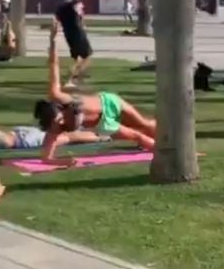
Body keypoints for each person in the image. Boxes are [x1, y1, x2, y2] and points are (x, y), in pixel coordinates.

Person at [33, 23, 156, 166]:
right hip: (104, 124)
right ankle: (164, 152)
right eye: (57, 124)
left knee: (144, 124)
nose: (61, 123)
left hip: (108, 102)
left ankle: (168, 139)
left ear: (58, 108)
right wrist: (65, 161)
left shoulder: (59, 97)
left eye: (59, 118)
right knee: (137, 136)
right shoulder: (54, 130)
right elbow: (46, 158)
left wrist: (53, 41)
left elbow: (53, 65)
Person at [0, 113, 107, 156]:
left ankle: (101, 137)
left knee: (65, 138)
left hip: (25, 140)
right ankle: (96, 133)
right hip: (20, 134)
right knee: (63, 136)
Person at [54, 0, 93, 86]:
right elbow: (80, 15)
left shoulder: (60, 8)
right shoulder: (74, 4)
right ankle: (71, 77)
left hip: (68, 33)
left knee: (76, 57)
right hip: (78, 32)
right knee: (87, 57)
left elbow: (57, 22)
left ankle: (78, 77)